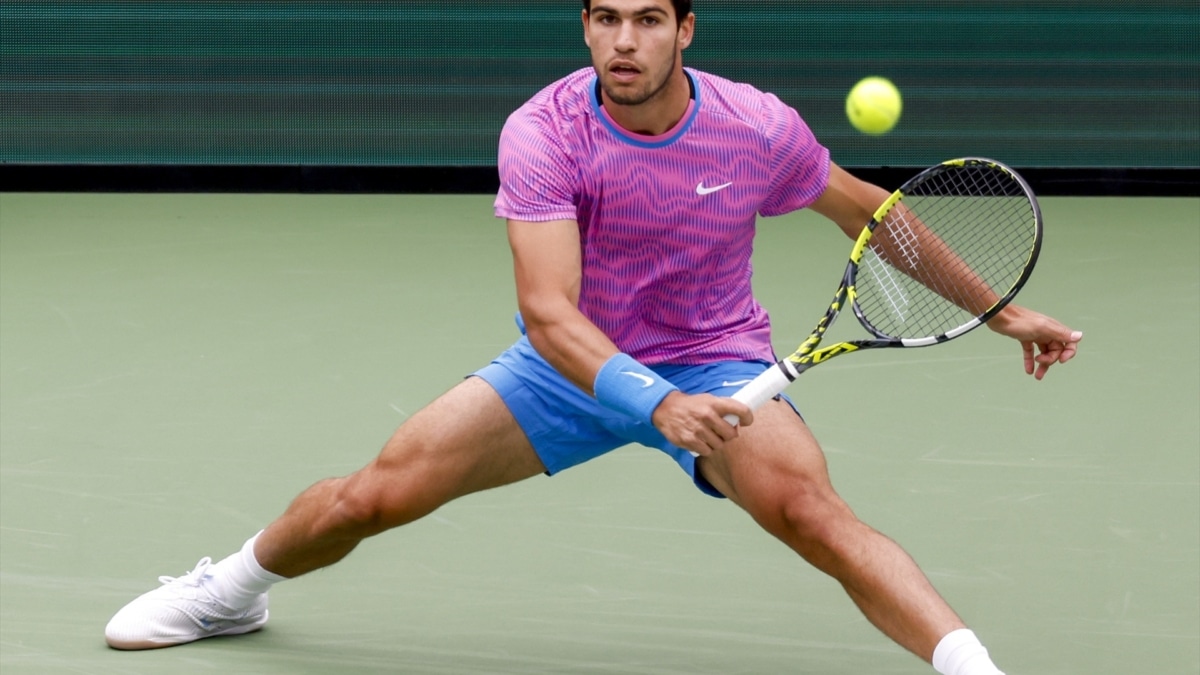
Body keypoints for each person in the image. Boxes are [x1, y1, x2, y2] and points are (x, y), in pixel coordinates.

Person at [104, 1, 1083, 673]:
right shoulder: (544, 132)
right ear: (584, 27)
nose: (625, 41)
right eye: (605, 18)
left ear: (684, 30)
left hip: (719, 358)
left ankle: (972, 665)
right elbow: (548, 313)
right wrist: (652, 401)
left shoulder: (757, 129)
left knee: (816, 517)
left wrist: (1003, 310)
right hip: (569, 369)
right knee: (372, 497)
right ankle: (229, 590)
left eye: (648, 19)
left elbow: (875, 215)